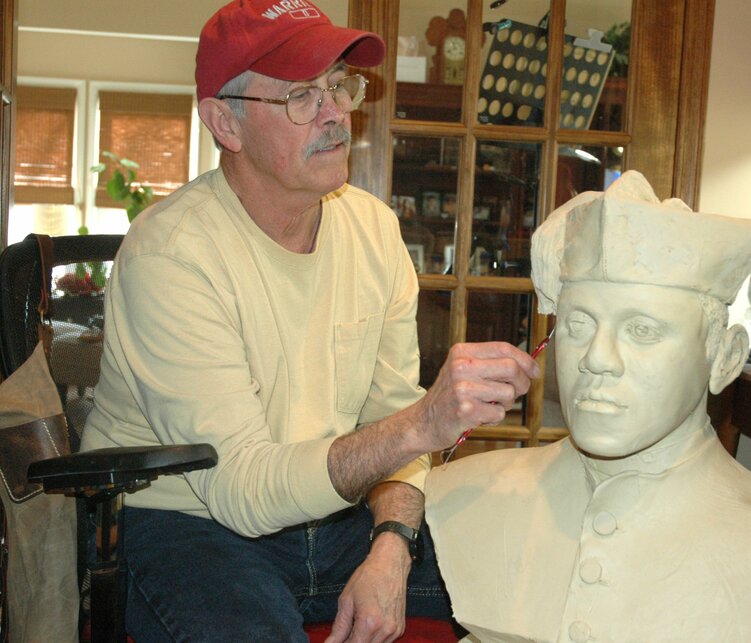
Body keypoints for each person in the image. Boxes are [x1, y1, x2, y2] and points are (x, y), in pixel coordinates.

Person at [79, 1, 539, 640]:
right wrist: (422, 424)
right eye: (301, 95)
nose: (335, 113)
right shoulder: (172, 255)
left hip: (338, 518)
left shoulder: (373, 229)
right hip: (190, 523)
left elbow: (389, 427)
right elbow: (242, 491)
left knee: (536, 575)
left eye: (339, 87)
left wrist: (391, 547)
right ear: (225, 123)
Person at [425, 171, 751, 643]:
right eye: (579, 323)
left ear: (723, 358)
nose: (596, 359)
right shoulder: (466, 496)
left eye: (642, 330)